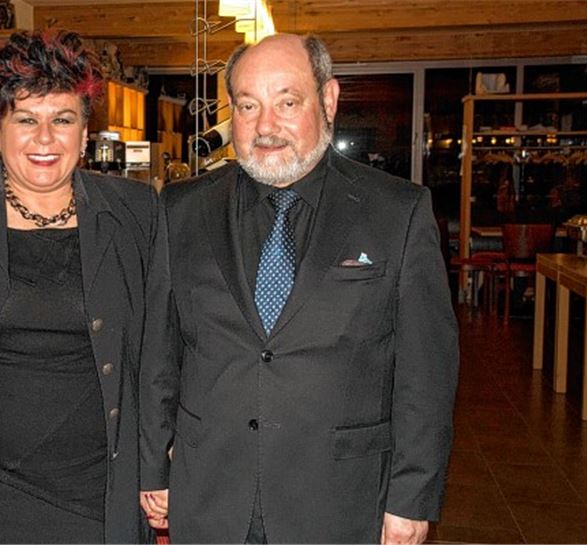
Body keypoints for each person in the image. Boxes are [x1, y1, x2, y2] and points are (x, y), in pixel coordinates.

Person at [139, 34, 459, 544]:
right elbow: (159, 352)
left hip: (339, 501)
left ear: (328, 100)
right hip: (209, 494)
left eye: (287, 103)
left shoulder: (397, 212)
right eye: (248, 106)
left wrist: (411, 498)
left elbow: (426, 374)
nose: (266, 127)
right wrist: (154, 466)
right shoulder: (180, 210)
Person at [0, 30, 160, 544]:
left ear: (85, 134)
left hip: (100, 491)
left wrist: (158, 465)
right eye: (25, 119)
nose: (45, 138)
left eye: (62, 120)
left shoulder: (135, 211)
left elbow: (159, 349)